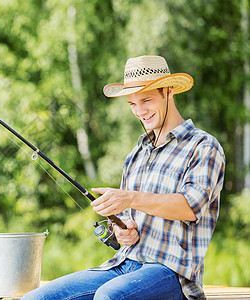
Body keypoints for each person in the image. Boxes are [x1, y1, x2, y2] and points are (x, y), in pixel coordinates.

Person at [21, 55, 225, 300]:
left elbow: (189, 208)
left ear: (169, 91)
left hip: (172, 273)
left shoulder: (203, 146)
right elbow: (127, 221)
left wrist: (130, 198)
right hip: (123, 264)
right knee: (34, 298)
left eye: (146, 100)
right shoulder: (136, 154)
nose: (140, 111)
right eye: (132, 104)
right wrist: (122, 232)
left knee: (109, 296)